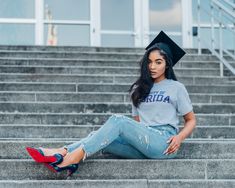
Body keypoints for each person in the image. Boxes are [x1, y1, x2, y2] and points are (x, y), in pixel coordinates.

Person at [26, 31, 196, 177]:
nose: (152, 66)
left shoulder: (176, 88)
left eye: (158, 62)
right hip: (143, 144)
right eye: (150, 62)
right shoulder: (139, 89)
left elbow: (191, 120)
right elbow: (137, 124)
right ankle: (63, 150)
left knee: (118, 121)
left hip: (163, 143)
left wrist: (179, 137)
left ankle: (69, 156)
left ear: (167, 64)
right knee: (100, 136)